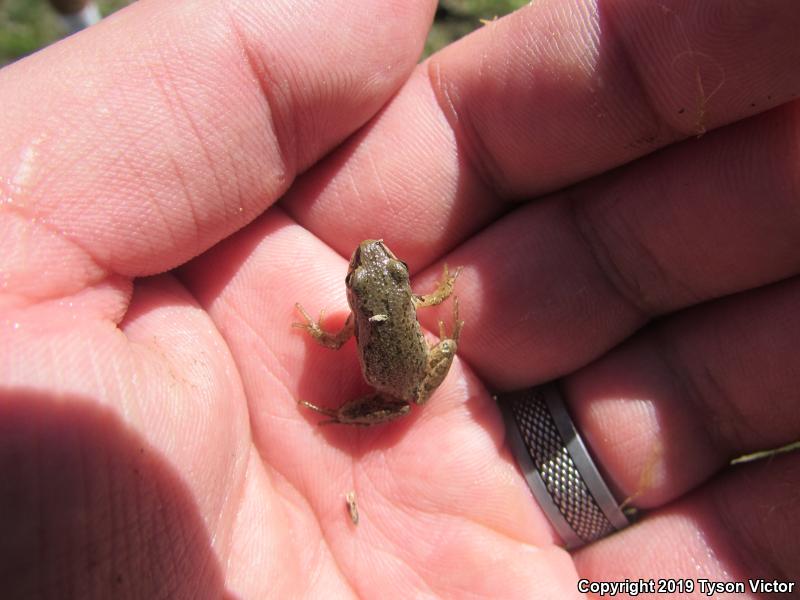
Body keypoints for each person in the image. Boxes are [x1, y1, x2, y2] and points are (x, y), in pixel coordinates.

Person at [1, 1, 797, 597]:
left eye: (369, 271)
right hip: (409, 379)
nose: (370, 262)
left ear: (366, 292)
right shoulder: (393, 311)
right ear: (375, 290)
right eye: (367, 270)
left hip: (402, 380)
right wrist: (428, 308)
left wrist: (325, 334)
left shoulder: (361, 322)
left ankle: (349, 418)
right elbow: (379, 322)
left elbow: (331, 339)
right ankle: (354, 416)